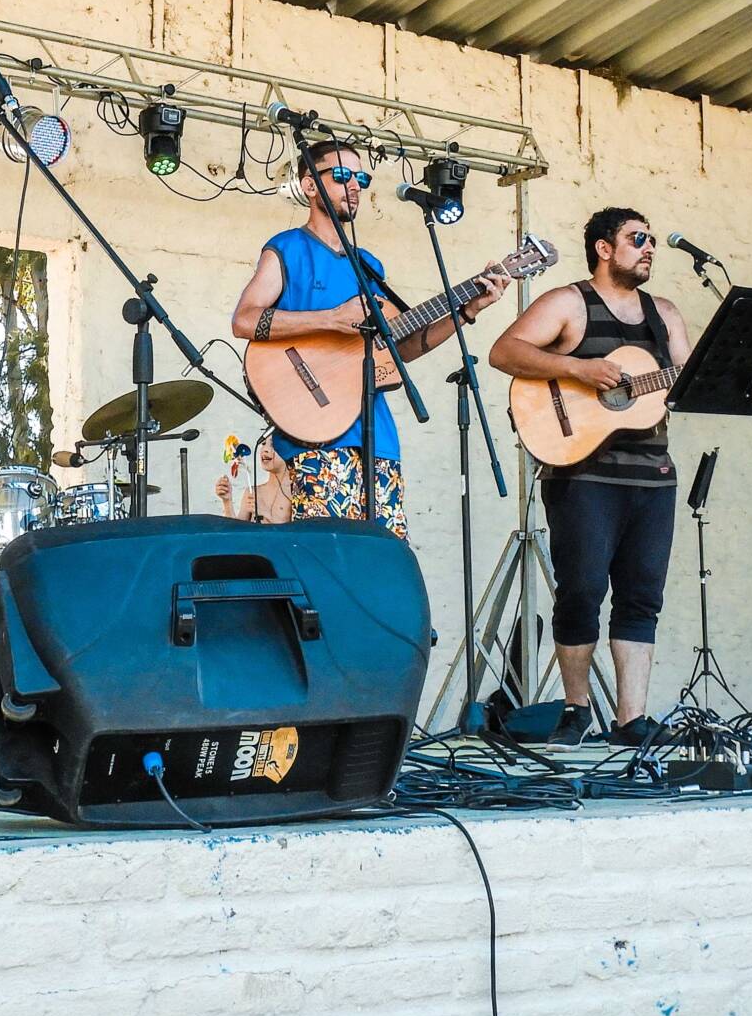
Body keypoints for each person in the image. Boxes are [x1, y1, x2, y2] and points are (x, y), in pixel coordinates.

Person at [229, 137, 510, 541]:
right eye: (341, 175)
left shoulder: (369, 266)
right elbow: (244, 319)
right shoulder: (288, 249)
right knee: (328, 562)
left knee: (383, 561)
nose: (355, 184)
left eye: (360, 176)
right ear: (310, 186)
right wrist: (330, 319)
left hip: (378, 442)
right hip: (314, 438)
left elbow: (401, 349)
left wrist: (468, 310)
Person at [489, 209, 693, 746]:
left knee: (642, 597)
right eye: (637, 238)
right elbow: (504, 352)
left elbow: (688, 383)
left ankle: (631, 721)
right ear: (604, 249)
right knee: (580, 591)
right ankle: (576, 710)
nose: (649, 247)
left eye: (650, 239)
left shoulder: (665, 314)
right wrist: (580, 369)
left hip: (653, 474)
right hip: (582, 472)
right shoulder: (569, 302)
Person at [214, 441, 293, 524]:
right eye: (263, 444)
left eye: (273, 445)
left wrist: (265, 513)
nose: (265, 449)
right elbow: (236, 531)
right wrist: (227, 501)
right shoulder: (252, 493)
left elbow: (298, 534)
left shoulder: (296, 494)